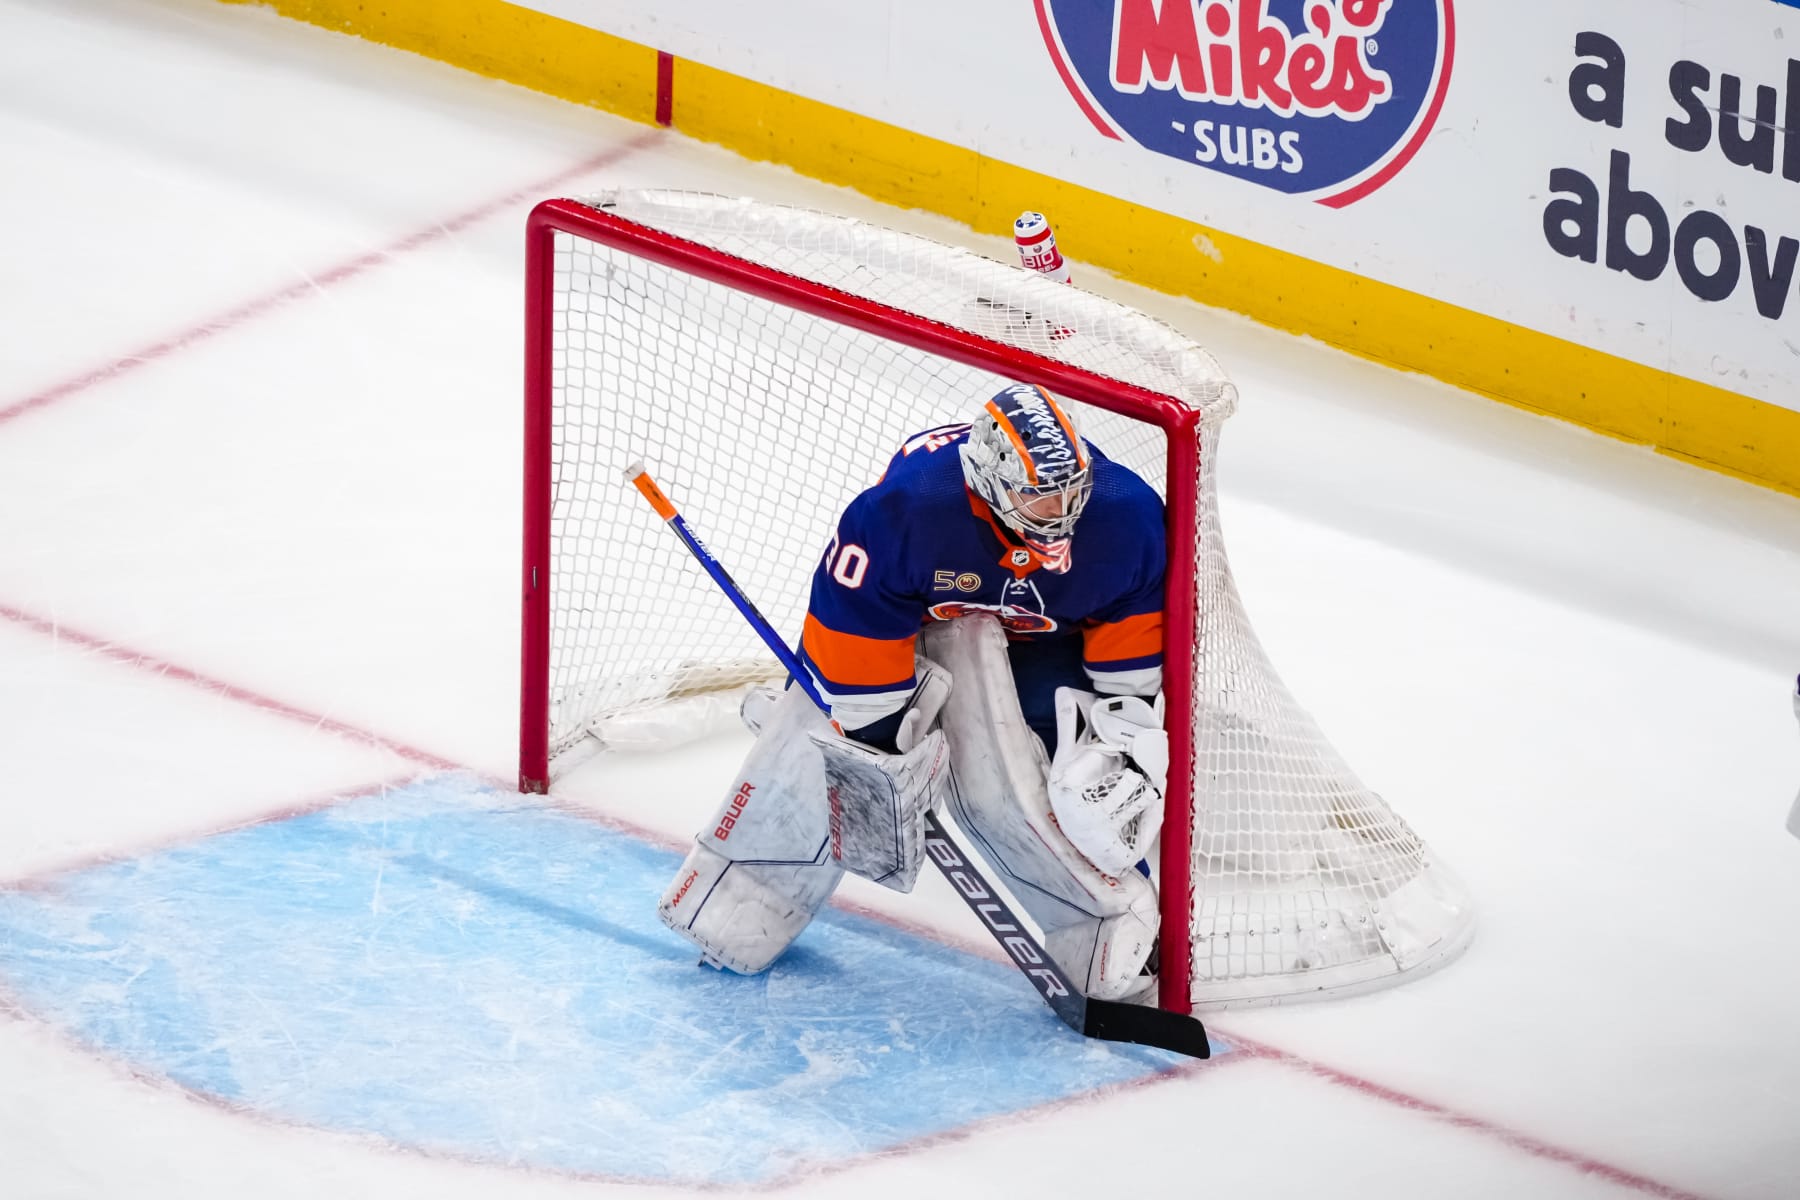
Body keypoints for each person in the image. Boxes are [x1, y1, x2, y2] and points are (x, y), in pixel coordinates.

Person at [657, 382, 1170, 1001]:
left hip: (1047, 642)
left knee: (1075, 789)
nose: (1061, 511)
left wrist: (1123, 718)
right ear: (989, 483)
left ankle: (1116, 931)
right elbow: (854, 619)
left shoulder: (1127, 515)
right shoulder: (907, 510)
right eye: (1040, 499)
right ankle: (737, 904)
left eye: (1071, 492)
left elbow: (1133, 623)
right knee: (825, 753)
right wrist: (875, 734)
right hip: (914, 621)